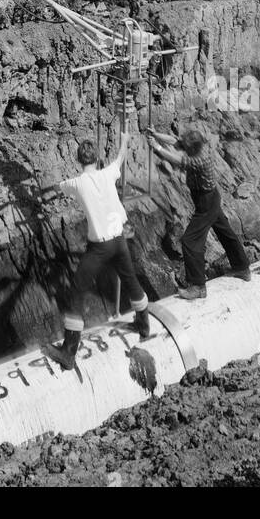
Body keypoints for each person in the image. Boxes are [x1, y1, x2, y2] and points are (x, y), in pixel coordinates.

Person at [45, 131, 150, 371]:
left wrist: (44, 189)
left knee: (77, 292)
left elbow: (57, 187)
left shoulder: (77, 183)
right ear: (96, 158)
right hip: (120, 240)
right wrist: (124, 140)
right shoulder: (107, 173)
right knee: (131, 279)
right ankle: (143, 325)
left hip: (100, 247)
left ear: (78, 161)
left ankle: (69, 352)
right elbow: (120, 158)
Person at [146, 126, 251, 299]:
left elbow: (178, 161)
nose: (182, 145)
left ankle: (198, 286)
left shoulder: (199, 159)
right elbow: (175, 141)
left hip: (206, 202)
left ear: (192, 148)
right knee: (225, 232)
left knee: (190, 240)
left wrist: (156, 147)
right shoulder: (197, 147)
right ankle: (242, 267)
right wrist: (156, 134)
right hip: (209, 197)